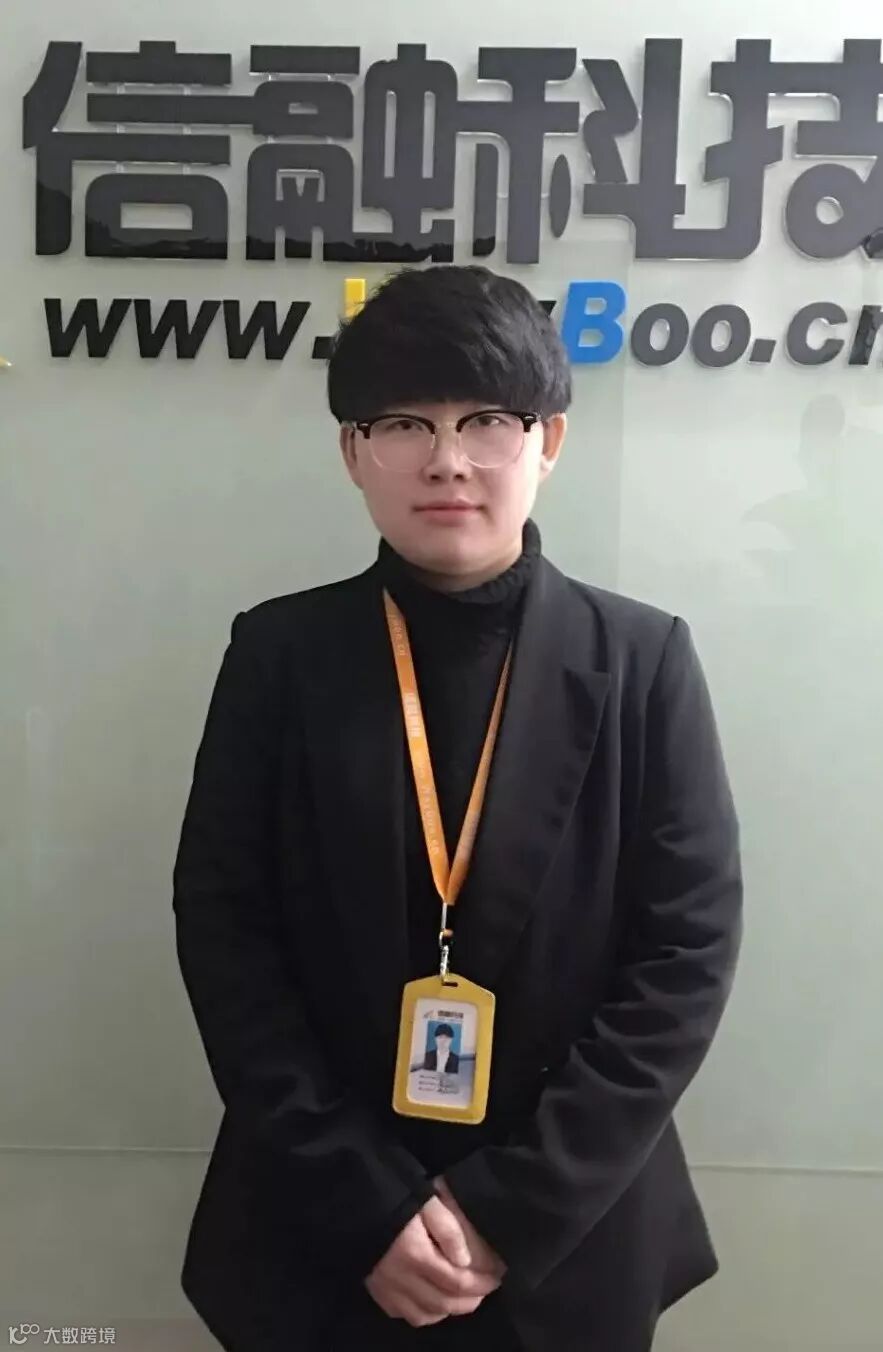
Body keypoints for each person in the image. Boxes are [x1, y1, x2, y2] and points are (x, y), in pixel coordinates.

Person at [172, 264, 743, 1352]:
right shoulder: (279, 653)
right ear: (353, 452)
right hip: (316, 1222)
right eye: (403, 424)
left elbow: (685, 954)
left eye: (486, 420)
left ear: (548, 441)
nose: (446, 459)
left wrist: (507, 1211)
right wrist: (365, 1205)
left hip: (569, 1235)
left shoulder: (642, 659)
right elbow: (224, 929)